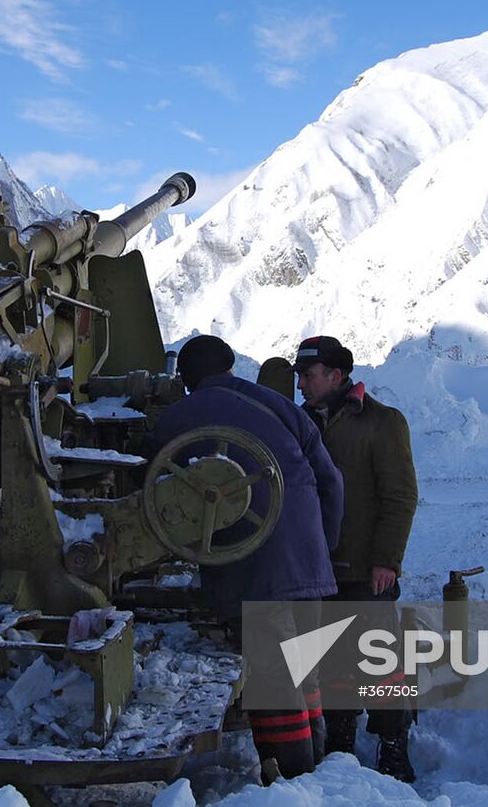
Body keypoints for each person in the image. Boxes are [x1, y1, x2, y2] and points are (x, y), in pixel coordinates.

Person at [150, 335, 343, 782]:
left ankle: (294, 783)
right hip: (308, 562)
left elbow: (155, 500)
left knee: (274, 681)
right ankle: (325, 776)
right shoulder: (279, 405)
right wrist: (320, 550)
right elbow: (330, 481)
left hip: (251, 566)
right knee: (304, 670)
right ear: (231, 367)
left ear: (184, 380)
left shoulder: (176, 419)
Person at [294, 335, 419, 782]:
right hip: (319, 570)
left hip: (368, 569)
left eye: (308, 376)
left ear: (336, 375)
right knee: (332, 661)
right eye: (299, 376)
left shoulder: (383, 423)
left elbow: (400, 496)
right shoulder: (300, 422)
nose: (301, 384)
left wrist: (387, 560)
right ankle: (341, 739)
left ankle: (393, 746)